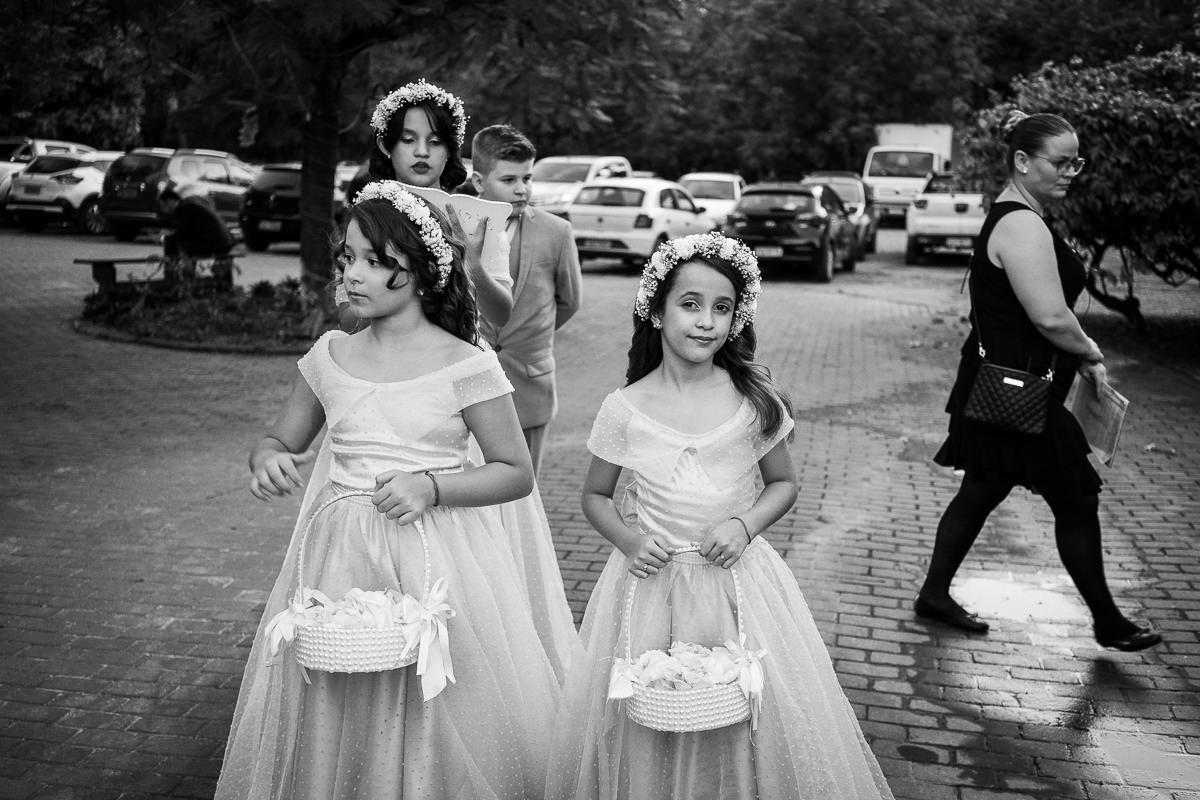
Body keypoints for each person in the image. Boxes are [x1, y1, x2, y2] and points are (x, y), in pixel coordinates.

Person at [214, 181, 568, 799]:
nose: (353, 274)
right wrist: (268, 458)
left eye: (376, 262)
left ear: (424, 272)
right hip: (341, 558)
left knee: (431, 696)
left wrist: (432, 486)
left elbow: (515, 471)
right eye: (347, 258)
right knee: (342, 680)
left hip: (437, 561)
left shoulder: (467, 364)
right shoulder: (330, 355)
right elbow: (279, 438)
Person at [545, 233, 894, 800]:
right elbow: (595, 497)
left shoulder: (752, 399)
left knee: (739, 707)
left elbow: (783, 484)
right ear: (656, 310)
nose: (707, 321)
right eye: (691, 304)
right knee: (652, 704)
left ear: (736, 319)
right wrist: (628, 541)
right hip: (651, 587)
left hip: (737, 586)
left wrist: (744, 525)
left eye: (723, 308)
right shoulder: (624, 408)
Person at [915, 110, 1162, 652]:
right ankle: (1108, 621)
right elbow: (1050, 316)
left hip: (1006, 385)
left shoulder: (1022, 214)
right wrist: (1091, 352)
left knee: (982, 488)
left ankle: (933, 593)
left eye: (1076, 162)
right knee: (1076, 497)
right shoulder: (1021, 223)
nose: (1071, 171)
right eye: (1061, 162)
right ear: (1023, 161)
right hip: (1018, 391)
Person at [471, 124, 583, 476]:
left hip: (530, 382)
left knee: (524, 490)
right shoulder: (458, 228)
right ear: (478, 181)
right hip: (470, 383)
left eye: (527, 178)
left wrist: (531, 333)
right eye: (509, 180)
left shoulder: (557, 232)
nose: (522, 189)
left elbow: (569, 302)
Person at [357, 78, 512, 328]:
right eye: (408, 139)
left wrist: (472, 266)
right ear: (386, 145)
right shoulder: (366, 216)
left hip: (457, 350)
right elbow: (348, 318)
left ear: (450, 149)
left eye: (435, 141)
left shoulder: (476, 218)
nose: (422, 151)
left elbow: (501, 316)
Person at [159, 186, 234, 281]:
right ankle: (186, 274)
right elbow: (188, 231)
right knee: (183, 244)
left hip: (216, 243)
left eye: (164, 205)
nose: (164, 209)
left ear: (170, 201)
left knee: (170, 244)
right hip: (225, 241)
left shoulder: (183, 209)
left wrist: (165, 237)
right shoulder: (190, 205)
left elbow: (182, 234)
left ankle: (172, 278)